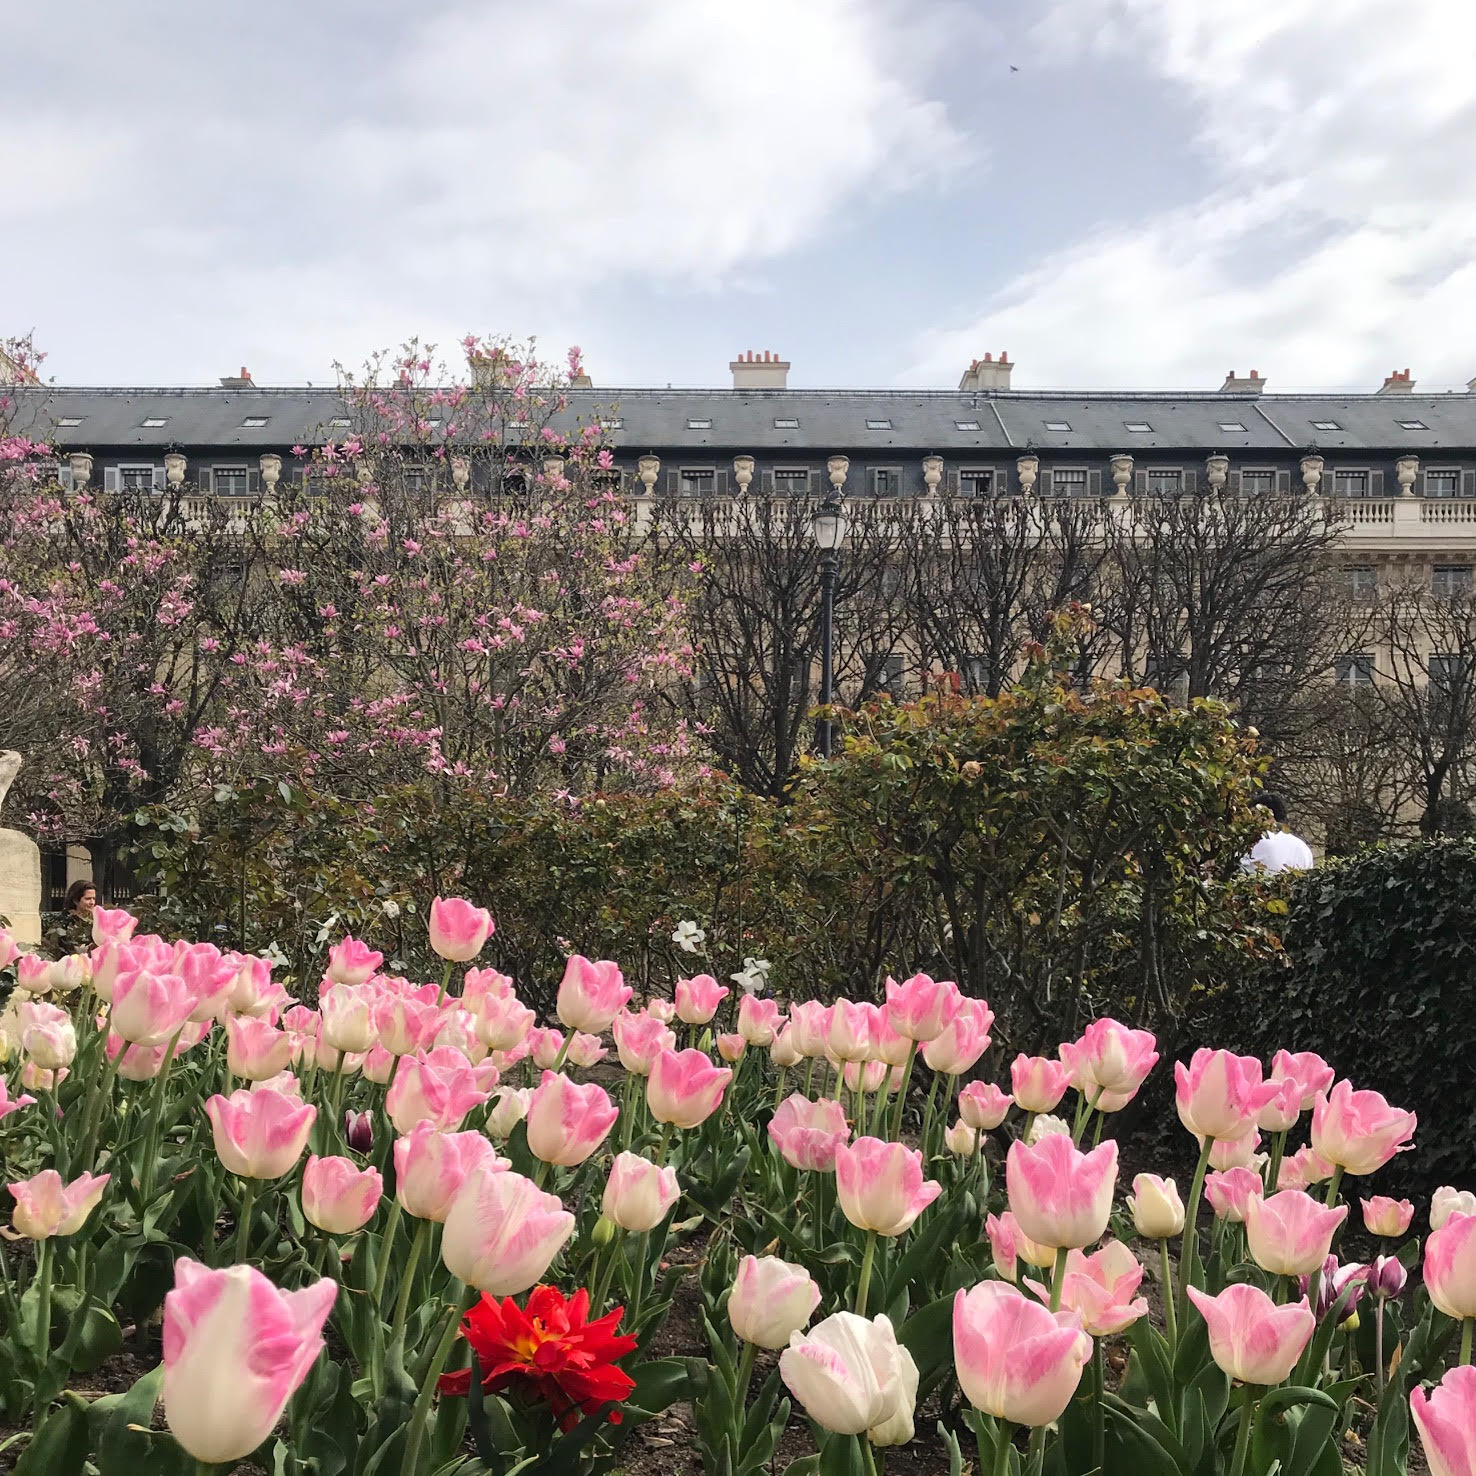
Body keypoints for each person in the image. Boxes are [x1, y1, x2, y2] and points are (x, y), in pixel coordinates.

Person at [1240, 793, 1315, 874]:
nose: (1248, 819)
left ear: (1267, 814)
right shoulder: (1303, 847)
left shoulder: (1256, 840)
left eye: (1253, 814)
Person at [44, 879, 98, 957]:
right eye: (88, 899)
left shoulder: (97, 920)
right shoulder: (63, 921)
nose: (92, 902)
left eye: (94, 898)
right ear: (75, 900)